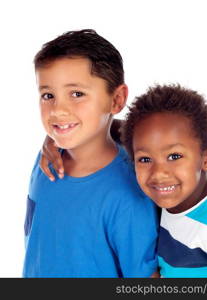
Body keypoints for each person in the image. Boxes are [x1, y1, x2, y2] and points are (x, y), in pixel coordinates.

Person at [23, 29, 159, 278]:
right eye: (48, 95)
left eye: (77, 94)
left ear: (116, 100)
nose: (58, 110)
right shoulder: (46, 160)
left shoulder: (129, 196)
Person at [120, 84, 207, 278]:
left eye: (174, 156)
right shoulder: (177, 200)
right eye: (145, 159)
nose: (158, 173)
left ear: (206, 159)